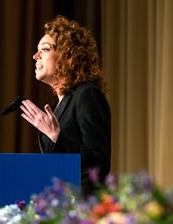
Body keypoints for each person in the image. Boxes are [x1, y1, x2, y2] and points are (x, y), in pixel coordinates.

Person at [20, 15, 111, 197]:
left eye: (44, 49)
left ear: (67, 55)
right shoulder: (59, 103)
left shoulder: (87, 94)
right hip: (59, 202)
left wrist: (56, 137)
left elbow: (99, 162)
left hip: (82, 205)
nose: (35, 56)